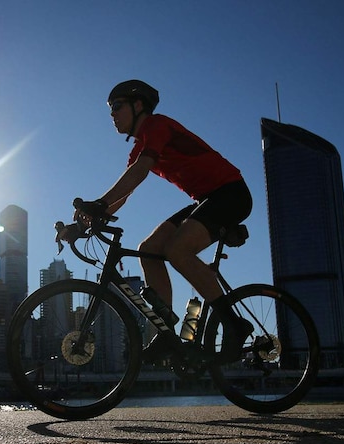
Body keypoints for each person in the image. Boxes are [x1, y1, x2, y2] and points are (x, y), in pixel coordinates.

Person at [75, 79, 254, 362]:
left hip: (230, 193)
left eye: (117, 107)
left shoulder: (157, 126)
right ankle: (166, 332)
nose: (112, 115)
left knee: (177, 251)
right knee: (148, 250)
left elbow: (140, 172)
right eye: (110, 110)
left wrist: (99, 204)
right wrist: (86, 221)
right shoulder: (138, 147)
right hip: (207, 199)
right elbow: (127, 190)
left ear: (138, 106)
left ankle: (234, 324)